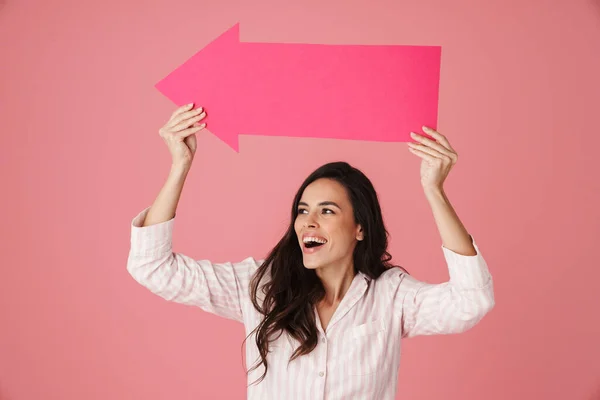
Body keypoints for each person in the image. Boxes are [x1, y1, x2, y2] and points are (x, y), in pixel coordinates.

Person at [127, 103, 495, 399]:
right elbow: (152, 266)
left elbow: (471, 301)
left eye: (327, 211)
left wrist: (435, 190)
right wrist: (180, 165)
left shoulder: (392, 296)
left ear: (360, 228)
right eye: (303, 210)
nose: (308, 222)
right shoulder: (260, 287)